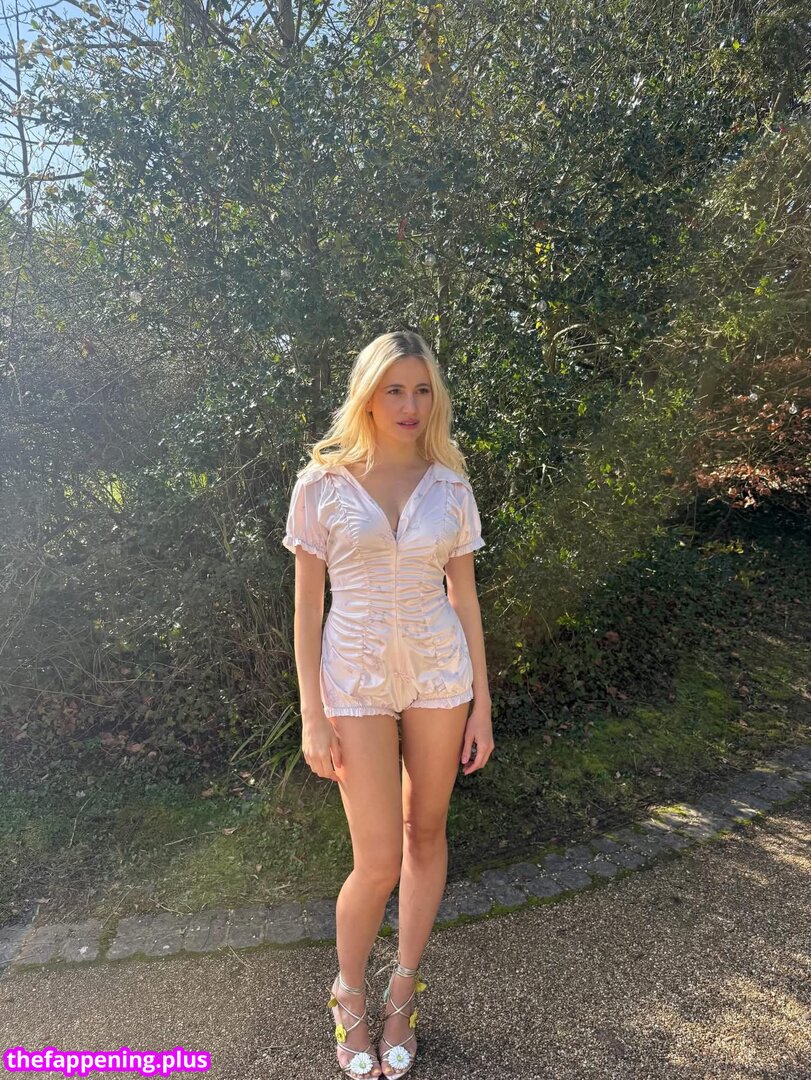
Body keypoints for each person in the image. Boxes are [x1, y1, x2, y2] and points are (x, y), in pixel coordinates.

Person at [282, 330, 494, 1079]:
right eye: (394, 389)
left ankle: (402, 992)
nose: (410, 405)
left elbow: (463, 599)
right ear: (368, 395)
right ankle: (348, 995)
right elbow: (306, 611)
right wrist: (311, 715)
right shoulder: (323, 484)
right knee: (376, 859)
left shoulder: (450, 485)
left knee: (425, 835)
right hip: (355, 682)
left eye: (422, 389)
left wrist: (482, 705)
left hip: (440, 675)